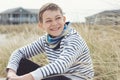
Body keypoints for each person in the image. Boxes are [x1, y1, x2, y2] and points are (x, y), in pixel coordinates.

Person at [6, 3, 94, 80]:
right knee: (21, 63)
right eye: (48, 21)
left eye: (58, 18)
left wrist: (27, 77)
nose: (54, 23)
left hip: (74, 78)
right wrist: (11, 73)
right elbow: (19, 52)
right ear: (41, 25)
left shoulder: (73, 39)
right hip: (57, 77)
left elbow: (61, 65)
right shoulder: (46, 40)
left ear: (64, 19)